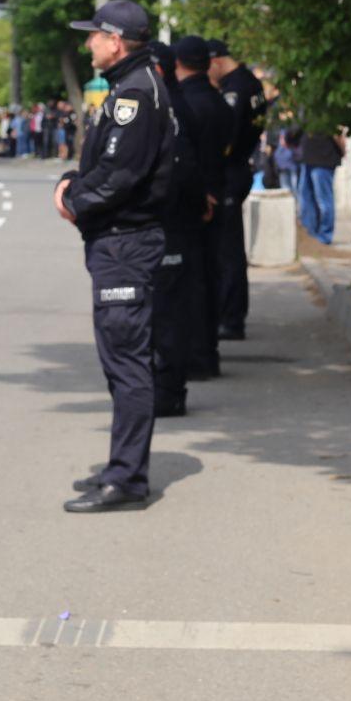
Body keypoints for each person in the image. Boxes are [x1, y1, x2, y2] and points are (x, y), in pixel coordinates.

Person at [58, 0, 177, 513]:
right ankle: (120, 467)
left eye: (94, 37)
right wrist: (72, 183)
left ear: (117, 40)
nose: (88, 45)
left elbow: (121, 176)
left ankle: (127, 480)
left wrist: (74, 201)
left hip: (126, 244)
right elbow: (103, 164)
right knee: (118, 357)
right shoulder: (132, 86)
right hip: (119, 243)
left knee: (127, 361)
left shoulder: (135, 93)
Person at [146, 39, 201, 418]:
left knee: (166, 314)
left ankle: (167, 390)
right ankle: (167, 386)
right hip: (175, 222)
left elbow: (182, 168)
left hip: (171, 224)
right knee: (166, 311)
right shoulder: (169, 104)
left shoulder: (169, 108)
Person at [173, 36, 232, 381]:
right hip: (218, 190)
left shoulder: (185, 105)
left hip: (197, 201)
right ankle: (208, 351)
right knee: (211, 275)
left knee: (191, 284)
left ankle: (196, 355)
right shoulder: (219, 103)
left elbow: (186, 159)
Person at [207, 39, 267, 340]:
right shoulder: (249, 82)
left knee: (227, 250)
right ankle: (230, 314)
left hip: (231, 170)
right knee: (228, 248)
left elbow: (225, 135)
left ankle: (231, 318)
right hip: (241, 167)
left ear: (216, 61)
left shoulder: (235, 88)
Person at [296, 130, 342, 243]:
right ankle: (309, 234)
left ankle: (325, 236)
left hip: (324, 159)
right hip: (308, 158)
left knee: (324, 200)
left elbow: (338, 134)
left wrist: (343, 150)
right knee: (306, 198)